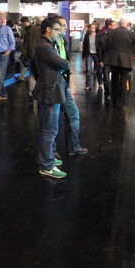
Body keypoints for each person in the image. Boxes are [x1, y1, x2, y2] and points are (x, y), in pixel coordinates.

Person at [31, 16, 71, 179]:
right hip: (50, 92)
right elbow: (65, 64)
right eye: (57, 29)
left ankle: (46, 159)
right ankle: (46, 165)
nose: (60, 32)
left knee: (47, 128)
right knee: (50, 130)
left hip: (50, 89)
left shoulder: (46, 46)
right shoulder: (45, 47)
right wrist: (64, 61)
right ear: (48, 30)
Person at [55, 15, 88, 157]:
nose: (66, 28)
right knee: (51, 122)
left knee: (73, 114)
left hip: (63, 84)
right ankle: (51, 152)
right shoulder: (49, 44)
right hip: (53, 86)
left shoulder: (62, 41)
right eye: (63, 25)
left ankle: (73, 147)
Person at [99, 18, 135, 109]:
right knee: (123, 81)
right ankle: (122, 103)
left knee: (114, 80)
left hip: (113, 60)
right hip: (126, 61)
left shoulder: (111, 32)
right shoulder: (131, 34)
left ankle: (114, 101)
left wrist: (108, 49)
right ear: (127, 24)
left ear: (119, 24)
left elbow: (101, 41)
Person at [82, 23, 103, 91]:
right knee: (88, 70)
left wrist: (101, 56)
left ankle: (100, 83)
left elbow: (101, 46)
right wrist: (83, 55)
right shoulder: (87, 36)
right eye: (92, 27)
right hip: (89, 54)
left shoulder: (98, 35)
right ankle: (88, 85)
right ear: (89, 28)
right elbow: (84, 46)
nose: (93, 28)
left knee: (98, 70)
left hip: (97, 54)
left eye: (94, 27)